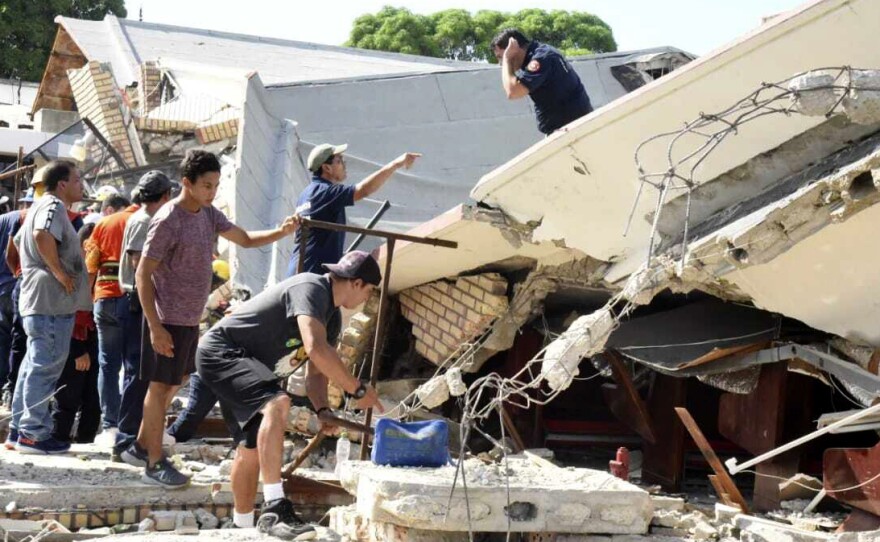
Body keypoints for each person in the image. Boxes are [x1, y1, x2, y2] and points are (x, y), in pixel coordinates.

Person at [121, 150, 299, 487]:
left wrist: (281, 231)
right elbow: (143, 274)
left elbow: (244, 239)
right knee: (159, 389)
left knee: (174, 384)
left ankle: (142, 447)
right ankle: (154, 464)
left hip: (189, 318)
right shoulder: (167, 219)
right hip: (166, 317)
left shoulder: (209, 214)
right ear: (186, 183)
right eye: (206, 185)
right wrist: (156, 327)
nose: (212, 192)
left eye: (216, 186)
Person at [198, 250, 383, 532]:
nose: (366, 298)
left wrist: (322, 409)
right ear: (356, 283)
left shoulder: (330, 316)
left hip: (246, 365)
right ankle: (275, 507)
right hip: (223, 353)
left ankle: (242, 527)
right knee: (277, 402)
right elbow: (316, 349)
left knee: (250, 448)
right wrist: (356, 389)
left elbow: (316, 372)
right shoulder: (312, 288)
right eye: (369, 290)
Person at [8, 161, 90, 454]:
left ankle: (20, 430)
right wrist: (57, 272)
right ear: (62, 184)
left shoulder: (37, 208)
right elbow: (41, 235)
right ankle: (33, 434)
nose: (81, 185)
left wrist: (29, 274)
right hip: (51, 301)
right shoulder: (53, 206)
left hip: (37, 299)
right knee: (44, 368)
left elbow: (14, 246)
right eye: (77, 180)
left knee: (33, 366)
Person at [112, 171, 177, 461]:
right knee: (137, 375)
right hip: (138, 304)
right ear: (164, 197)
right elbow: (141, 268)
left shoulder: (146, 218)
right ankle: (126, 440)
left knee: (144, 374)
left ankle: (136, 437)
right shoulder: (143, 221)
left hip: (142, 303)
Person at [286, 144, 420, 276]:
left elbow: (298, 235)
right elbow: (363, 190)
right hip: (313, 276)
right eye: (339, 161)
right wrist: (396, 164)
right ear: (326, 167)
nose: (344, 164)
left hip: (297, 273)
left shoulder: (305, 195)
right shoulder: (326, 192)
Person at [84, 189, 138, 445]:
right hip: (134, 301)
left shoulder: (103, 224)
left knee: (107, 364)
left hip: (104, 299)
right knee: (133, 365)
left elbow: (90, 267)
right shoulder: (147, 220)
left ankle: (110, 426)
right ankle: (130, 424)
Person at [491, 28, 593, 135]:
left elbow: (513, 92)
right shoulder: (537, 54)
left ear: (513, 49)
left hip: (573, 129)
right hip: (567, 128)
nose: (501, 63)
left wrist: (507, 59)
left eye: (500, 57)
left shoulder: (541, 57)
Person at [52, 222, 101, 444]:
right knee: (68, 395)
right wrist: (78, 349)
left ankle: (86, 440)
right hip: (74, 339)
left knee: (92, 396)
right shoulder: (75, 271)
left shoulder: (92, 272)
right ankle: (58, 438)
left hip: (90, 337)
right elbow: (69, 312)